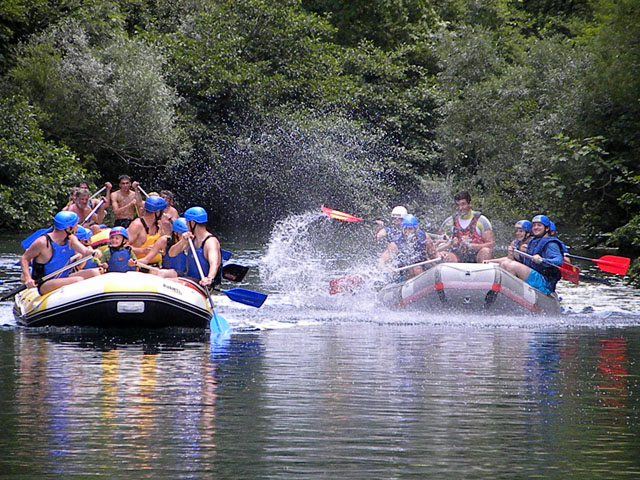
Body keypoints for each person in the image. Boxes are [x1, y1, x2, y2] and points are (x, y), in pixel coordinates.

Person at [19, 211, 102, 295]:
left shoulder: (71, 239)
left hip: (64, 277)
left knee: (95, 273)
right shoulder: (42, 242)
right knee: (78, 280)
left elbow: (85, 251)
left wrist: (94, 252)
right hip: (45, 283)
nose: (77, 227)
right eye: (76, 225)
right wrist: (28, 278)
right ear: (68, 228)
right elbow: (24, 258)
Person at [501, 215, 567, 295]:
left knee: (512, 266)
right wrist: (515, 254)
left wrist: (542, 260)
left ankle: (512, 295)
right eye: (534, 225)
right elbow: (526, 262)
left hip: (544, 283)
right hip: (535, 277)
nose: (536, 227)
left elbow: (559, 260)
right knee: (505, 264)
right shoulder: (533, 241)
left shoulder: (551, 244)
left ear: (547, 228)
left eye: (539, 225)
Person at [437, 191, 494, 263]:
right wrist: (449, 242)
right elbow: (438, 241)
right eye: (457, 205)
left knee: (486, 251)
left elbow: (491, 244)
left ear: (470, 204)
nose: (460, 208)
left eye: (463, 204)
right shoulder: (449, 222)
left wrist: (472, 246)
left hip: (477, 255)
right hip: (456, 256)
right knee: (442, 255)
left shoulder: (482, 221)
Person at [379, 214, 437, 278]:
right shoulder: (395, 243)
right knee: (415, 269)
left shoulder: (424, 237)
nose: (407, 232)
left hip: (422, 265)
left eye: (410, 229)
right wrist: (386, 268)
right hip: (404, 270)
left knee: (418, 269)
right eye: (405, 229)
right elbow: (381, 261)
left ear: (415, 229)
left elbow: (433, 255)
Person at [181, 206, 222, 287]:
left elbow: (214, 263)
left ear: (192, 223)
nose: (186, 225)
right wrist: (183, 241)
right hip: (189, 279)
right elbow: (172, 253)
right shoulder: (191, 239)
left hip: (202, 283)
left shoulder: (210, 241)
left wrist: (209, 278)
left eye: (187, 222)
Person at [127, 195, 167, 264]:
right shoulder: (137, 225)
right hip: (139, 265)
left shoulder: (159, 224)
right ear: (157, 212)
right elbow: (123, 247)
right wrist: (143, 251)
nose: (164, 214)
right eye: (162, 212)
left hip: (156, 265)